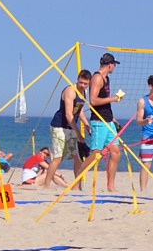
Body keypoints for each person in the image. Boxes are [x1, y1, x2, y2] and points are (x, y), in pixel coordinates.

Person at [42, 70, 92, 189]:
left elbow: (79, 110)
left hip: (71, 126)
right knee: (58, 158)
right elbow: (69, 115)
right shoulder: (70, 91)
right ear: (77, 79)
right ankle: (46, 185)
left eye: (85, 84)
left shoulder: (84, 92)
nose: (82, 85)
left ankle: (76, 187)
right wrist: (78, 133)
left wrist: (86, 124)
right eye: (81, 82)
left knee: (77, 158)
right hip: (59, 126)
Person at [88, 52, 125, 193]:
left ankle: (110, 186)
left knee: (116, 152)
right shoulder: (97, 78)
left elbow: (105, 103)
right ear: (110, 65)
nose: (114, 67)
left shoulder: (106, 78)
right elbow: (93, 101)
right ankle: (77, 179)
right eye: (114, 65)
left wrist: (114, 120)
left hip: (108, 120)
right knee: (95, 155)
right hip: (98, 121)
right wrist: (113, 99)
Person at [135, 75, 153, 193]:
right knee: (146, 165)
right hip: (147, 136)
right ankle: (143, 192)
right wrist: (146, 121)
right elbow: (138, 121)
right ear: (150, 86)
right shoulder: (143, 101)